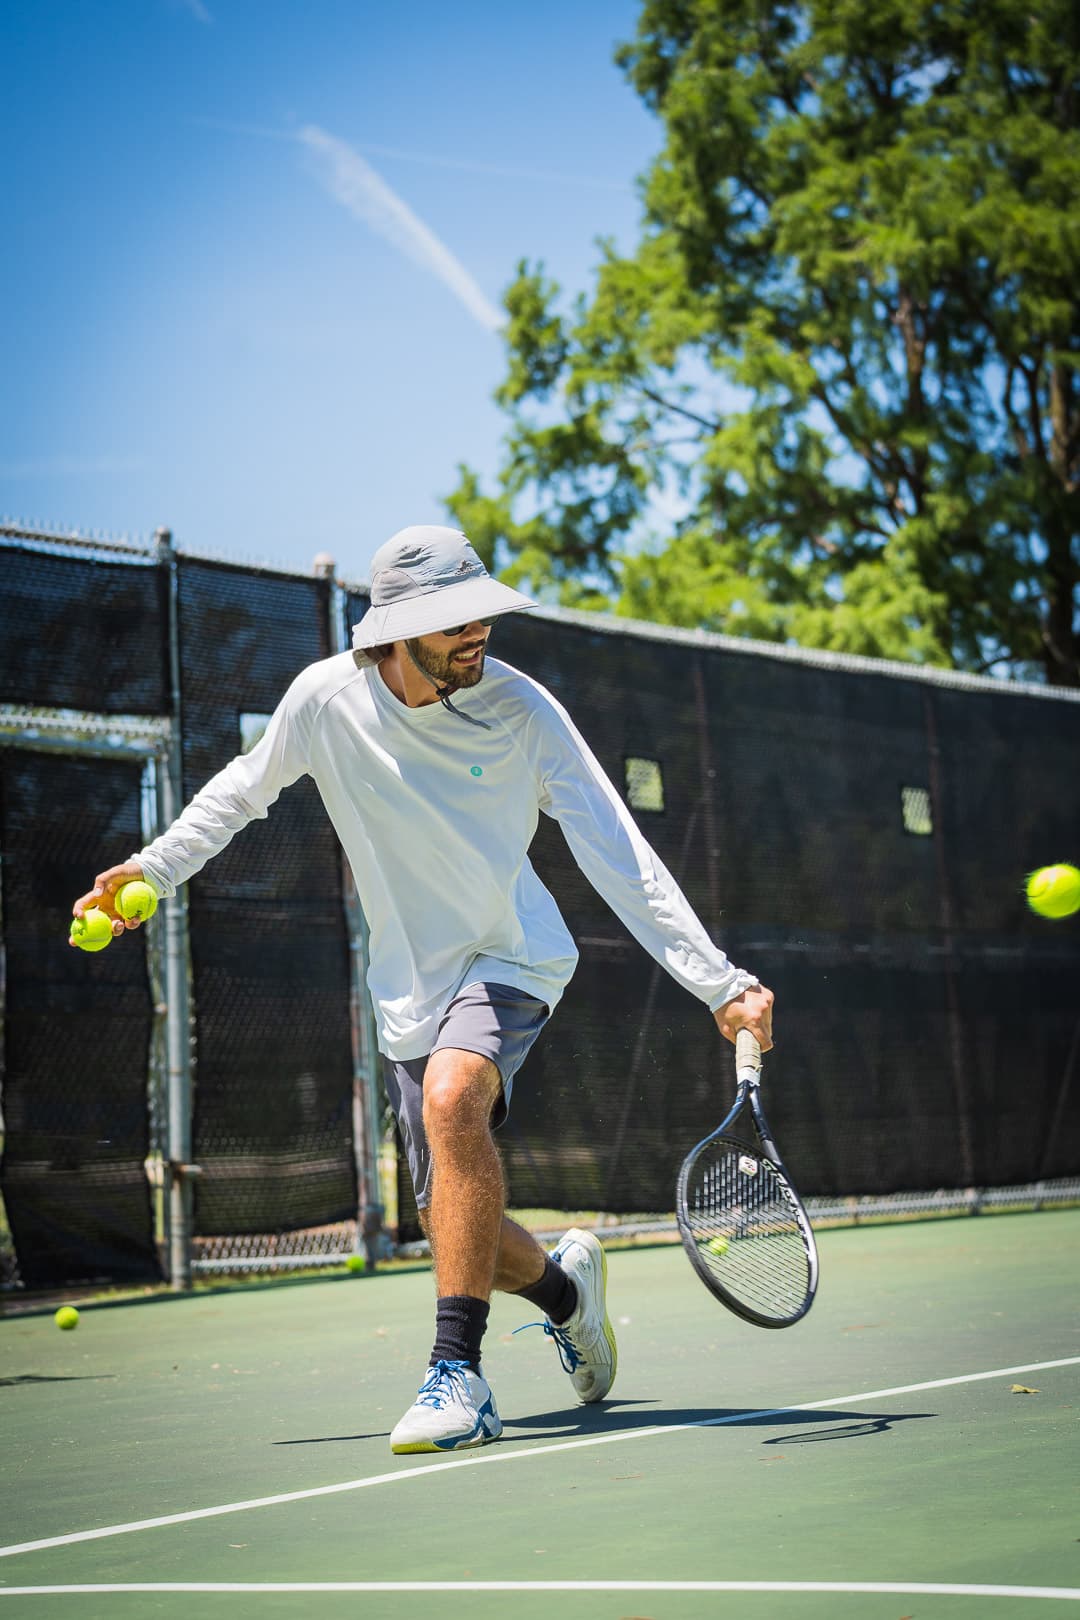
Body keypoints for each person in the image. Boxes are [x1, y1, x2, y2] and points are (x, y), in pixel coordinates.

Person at [73, 524, 774, 1454]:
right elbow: (241, 794)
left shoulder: (524, 711)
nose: (475, 633)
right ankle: (567, 1293)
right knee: (447, 1213)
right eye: (451, 623)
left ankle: (458, 1377)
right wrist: (150, 875)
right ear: (393, 635)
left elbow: (617, 851)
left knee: (453, 1101)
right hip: (410, 987)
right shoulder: (324, 701)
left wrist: (717, 982)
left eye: (479, 612)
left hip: (513, 957)